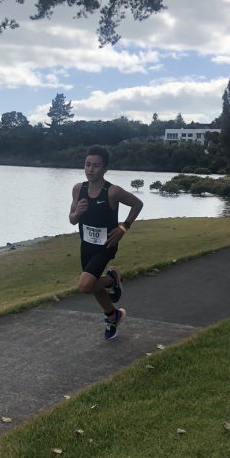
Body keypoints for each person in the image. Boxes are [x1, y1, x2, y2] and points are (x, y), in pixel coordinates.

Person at [69, 145, 144, 340]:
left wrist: (123, 228)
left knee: (86, 285)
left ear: (105, 169)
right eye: (87, 165)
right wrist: (78, 212)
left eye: (95, 166)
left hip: (106, 245)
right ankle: (114, 316)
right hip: (86, 245)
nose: (90, 170)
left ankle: (111, 278)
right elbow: (72, 219)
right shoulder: (78, 189)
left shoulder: (112, 192)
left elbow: (138, 204)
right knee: (94, 286)